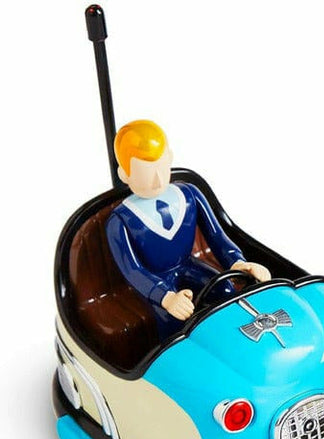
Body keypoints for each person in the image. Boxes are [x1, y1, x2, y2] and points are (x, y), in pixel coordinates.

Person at [106, 120, 271, 339]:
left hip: (187, 265)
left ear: (170, 158)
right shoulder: (120, 221)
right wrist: (165, 297)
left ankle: (234, 338)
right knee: (172, 318)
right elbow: (133, 270)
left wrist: (237, 262)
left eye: (161, 167)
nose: (157, 179)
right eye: (145, 172)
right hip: (156, 281)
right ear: (124, 175)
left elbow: (217, 236)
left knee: (225, 291)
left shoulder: (189, 195)